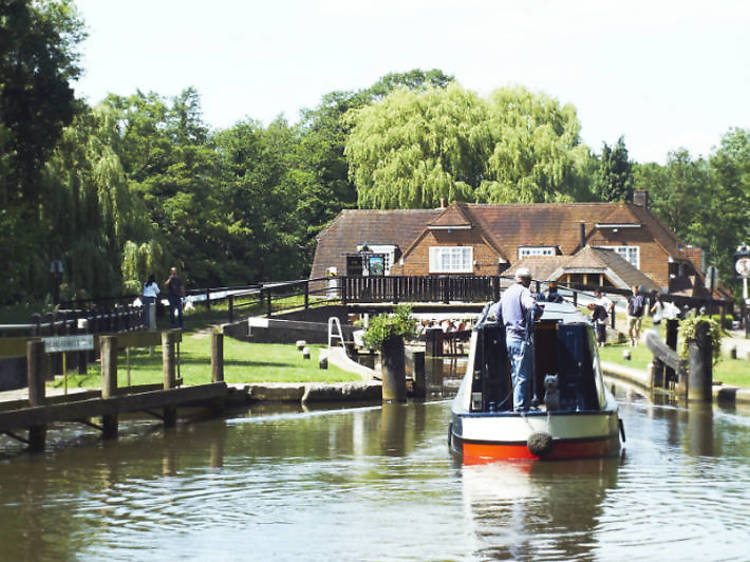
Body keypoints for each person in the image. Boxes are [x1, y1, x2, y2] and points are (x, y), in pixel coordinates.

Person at [496, 267, 544, 411]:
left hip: (509, 338)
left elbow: (497, 313)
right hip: (521, 338)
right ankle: (520, 407)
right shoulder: (524, 292)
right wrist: (539, 312)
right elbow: (531, 307)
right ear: (528, 281)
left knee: (515, 373)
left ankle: (522, 404)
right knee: (523, 375)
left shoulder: (506, 293)